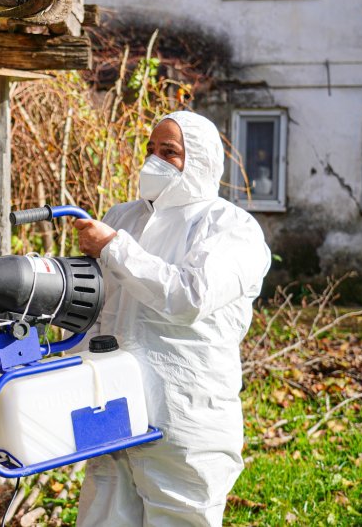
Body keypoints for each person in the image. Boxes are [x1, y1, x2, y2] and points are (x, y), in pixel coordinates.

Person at [71, 111, 271, 526]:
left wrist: (114, 249)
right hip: (110, 407)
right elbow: (98, 309)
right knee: (101, 515)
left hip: (184, 415)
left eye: (170, 152)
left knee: (181, 517)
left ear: (198, 160)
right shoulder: (123, 218)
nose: (154, 161)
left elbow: (189, 296)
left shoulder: (231, 228)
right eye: (150, 150)